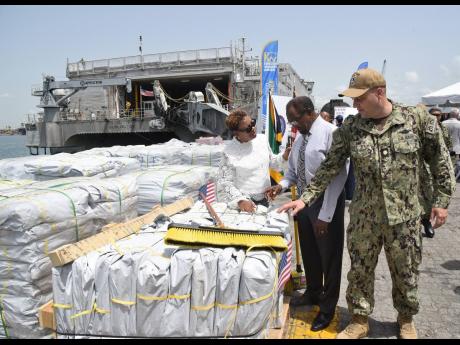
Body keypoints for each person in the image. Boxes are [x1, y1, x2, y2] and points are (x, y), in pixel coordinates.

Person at [277, 68, 456, 339]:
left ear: (379, 93)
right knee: (359, 272)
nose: (354, 105)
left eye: (359, 99)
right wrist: (306, 198)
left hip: (405, 217)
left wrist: (441, 202)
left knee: (405, 271)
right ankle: (359, 320)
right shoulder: (351, 128)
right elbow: (330, 167)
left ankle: (406, 320)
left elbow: (440, 162)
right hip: (364, 218)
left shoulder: (416, 119)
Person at [265, 96, 348, 332]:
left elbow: (339, 176)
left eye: (295, 119)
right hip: (302, 203)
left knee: (329, 259)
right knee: (311, 253)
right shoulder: (301, 137)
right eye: (290, 121)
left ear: (309, 112)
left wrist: (326, 213)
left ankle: (327, 308)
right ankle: (313, 292)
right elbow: (293, 172)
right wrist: (280, 185)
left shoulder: (331, 133)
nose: (292, 125)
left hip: (326, 204)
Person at [216, 109, 290, 212]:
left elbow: (272, 163)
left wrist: (284, 157)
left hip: (266, 199)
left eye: (252, 123)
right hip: (245, 203)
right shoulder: (228, 152)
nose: (253, 129)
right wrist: (241, 201)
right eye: (248, 128)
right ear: (236, 132)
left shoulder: (262, 139)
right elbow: (226, 182)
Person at [419, 108, 453, 238]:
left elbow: (448, 143)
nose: (436, 117)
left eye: (438, 115)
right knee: (423, 194)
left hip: (438, 165)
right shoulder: (423, 127)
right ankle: (424, 221)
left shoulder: (443, 128)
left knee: (432, 194)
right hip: (423, 166)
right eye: (433, 115)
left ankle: (426, 220)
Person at [443, 108, 460, 179]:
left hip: (444, 147)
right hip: (456, 148)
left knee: (444, 165)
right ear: (458, 115)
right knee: (454, 166)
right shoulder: (459, 124)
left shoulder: (443, 123)